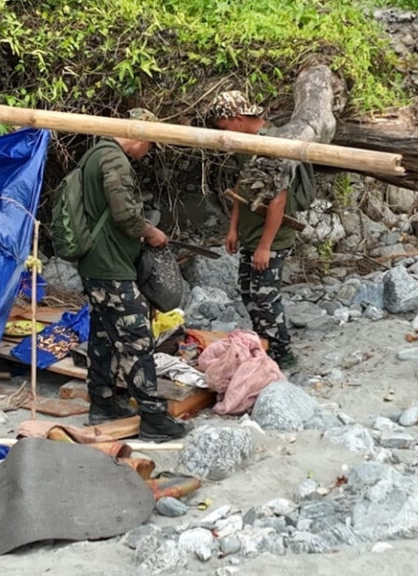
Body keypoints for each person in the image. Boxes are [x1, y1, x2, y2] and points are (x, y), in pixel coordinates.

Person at [77, 108, 187, 441]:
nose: (147, 153)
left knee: (103, 334)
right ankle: (154, 417)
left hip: (96, 263)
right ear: (138, 136)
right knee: (135, 335)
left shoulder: (93, 156)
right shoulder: (113, 160)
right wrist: (150, 232)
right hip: (111, 265)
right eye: (149, 145)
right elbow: (125, 214)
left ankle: (103, 400)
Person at [207, 90, 303, 369]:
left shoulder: (272, 146)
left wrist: (265, 246)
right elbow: (241, 188)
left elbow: (278, 200)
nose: (223, 135)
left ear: (236, 119)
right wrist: (233, 228)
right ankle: (264, 346)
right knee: (249, 292)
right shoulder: (245, 146)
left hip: (271, 237)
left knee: (265, 296)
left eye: (223, 128)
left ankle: (284, 354)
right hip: (250, 234)